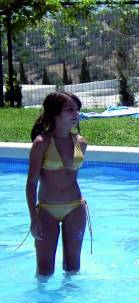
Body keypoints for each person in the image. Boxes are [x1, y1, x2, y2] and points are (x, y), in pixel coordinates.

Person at [25, 91, 88, 276]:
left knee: (73, 269)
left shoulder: (81, 142)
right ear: (55, 113)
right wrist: (33, 218)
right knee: (44, 271)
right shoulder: (41, 143)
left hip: (75, 207)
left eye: (77, 110)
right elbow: (31, 183)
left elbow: (71, 176)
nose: (75, 114)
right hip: (46, 209)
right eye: (70, 110)